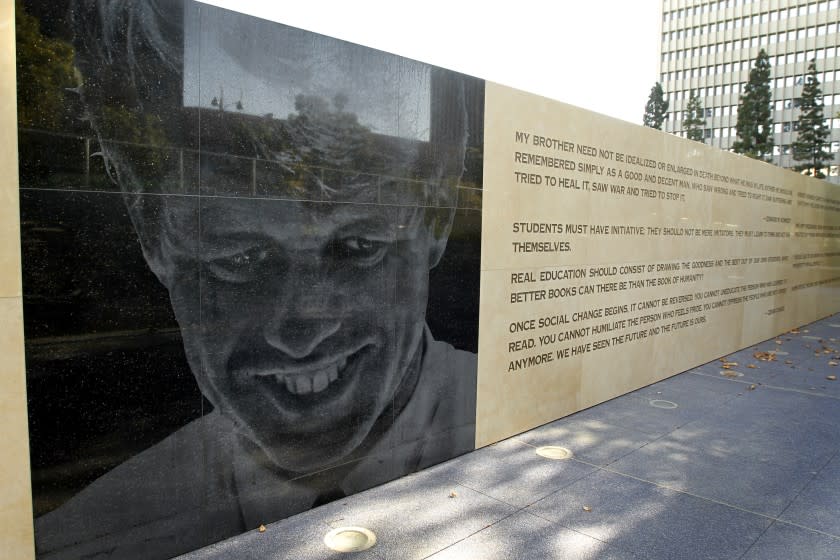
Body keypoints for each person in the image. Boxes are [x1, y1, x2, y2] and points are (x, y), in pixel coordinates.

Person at [34, 1, 479, 558]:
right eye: (239, 258)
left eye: (358, 246)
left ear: (436, 221)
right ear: (152, 235)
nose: (301, 332)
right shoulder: (79, 539)